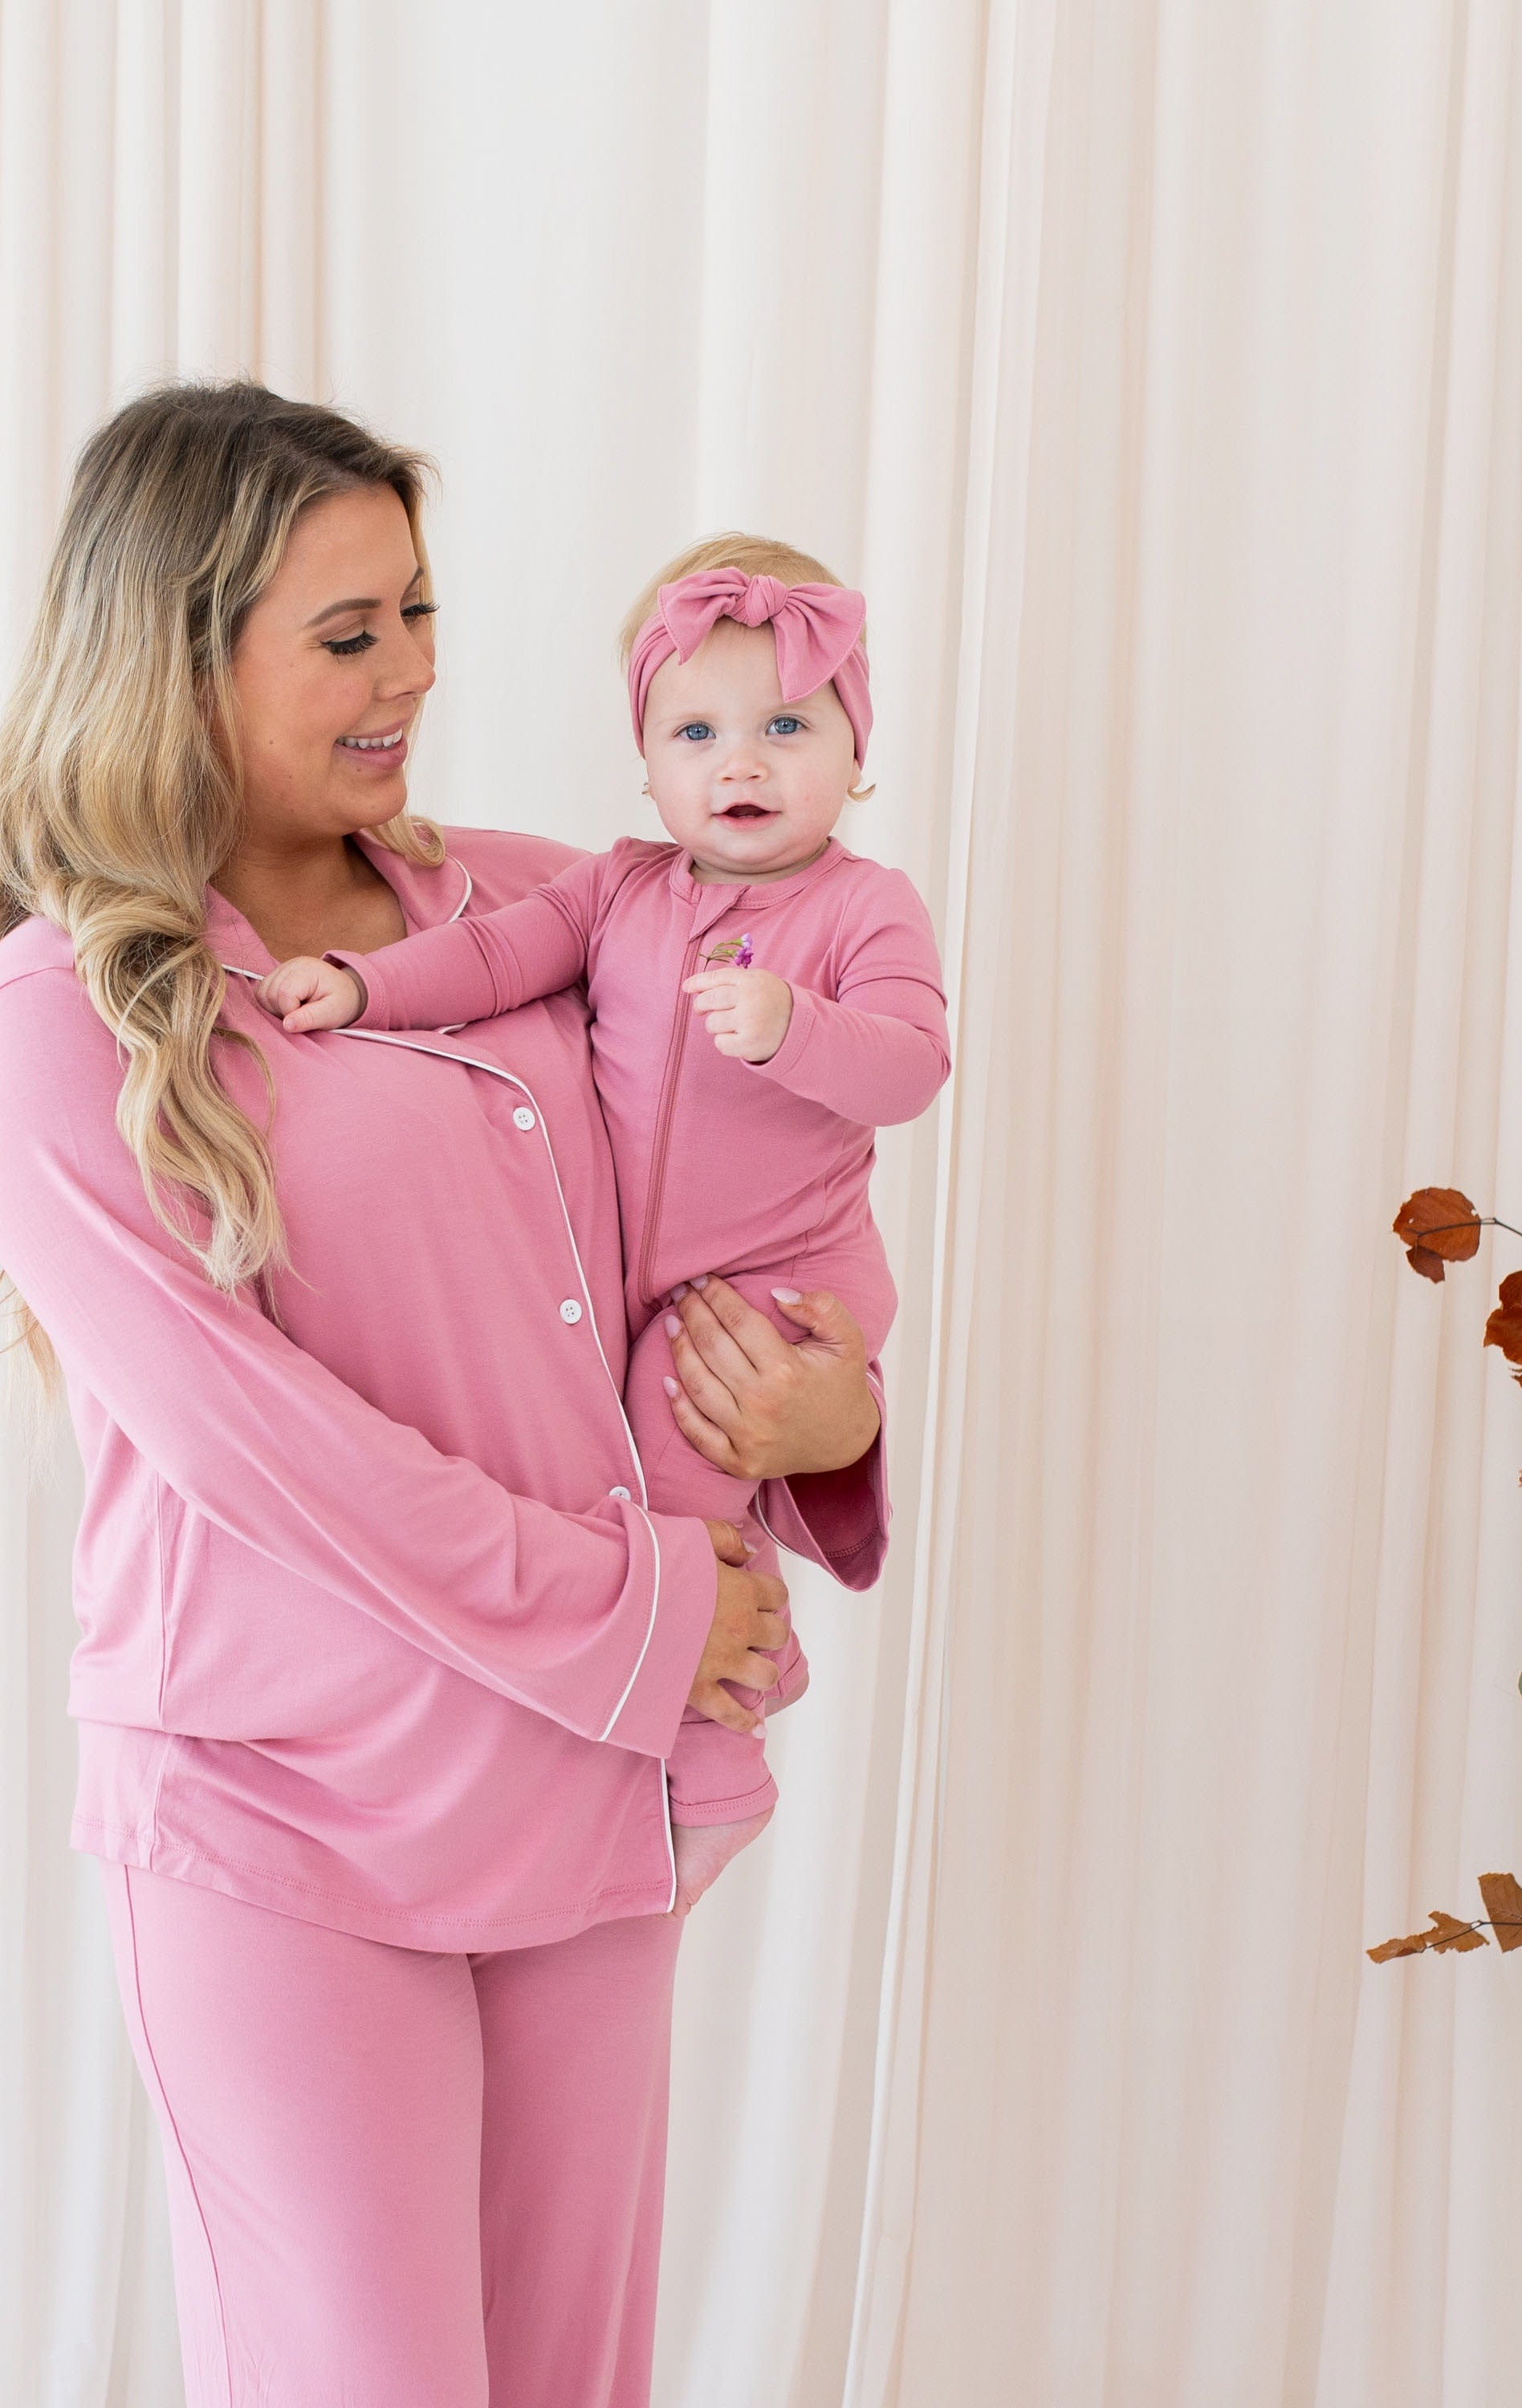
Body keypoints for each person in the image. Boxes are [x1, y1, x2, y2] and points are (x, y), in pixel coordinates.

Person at [0, 380, 889, 2407]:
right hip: (280, 1811)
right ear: (181, 657)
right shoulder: (61, 1023)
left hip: (577, 1788)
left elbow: (749, 1208)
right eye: (350, 634)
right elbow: (268, 1458)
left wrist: (832, 1418)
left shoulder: (553, 911)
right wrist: (641, 1609)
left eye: (423, 613)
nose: (416, 676)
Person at [259, 537, 951, 1907]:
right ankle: (753, 1667)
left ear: (856, 751)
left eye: (787, 728)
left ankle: (718, 1778)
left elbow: (914, 1067)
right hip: (635, 1280)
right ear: (645, 763)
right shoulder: (620, 887)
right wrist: (366, 985)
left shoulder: (863, 908)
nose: (742, 764)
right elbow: (494, 955)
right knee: (617, 1483)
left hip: (774, 1278)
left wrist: (796, 1027)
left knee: (679, 1478)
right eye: (698, 733)